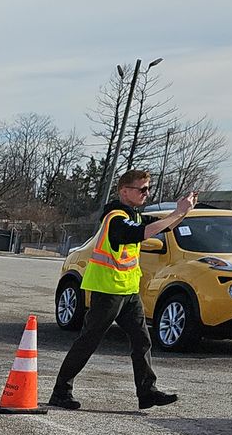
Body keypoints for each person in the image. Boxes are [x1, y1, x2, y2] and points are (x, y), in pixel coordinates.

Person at [48, 171, 198, 411]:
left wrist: (184, 211)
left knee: (142, 341)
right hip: (107, 291)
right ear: (124, 191)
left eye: (148, 189)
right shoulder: (115, 217)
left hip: (128, 291)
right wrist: (177, 212)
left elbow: (161, 229)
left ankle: (147, 392)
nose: (146, 193)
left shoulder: (134, 216)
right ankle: (60, 392)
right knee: (88, 341)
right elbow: (139, 233)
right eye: (142, 189)